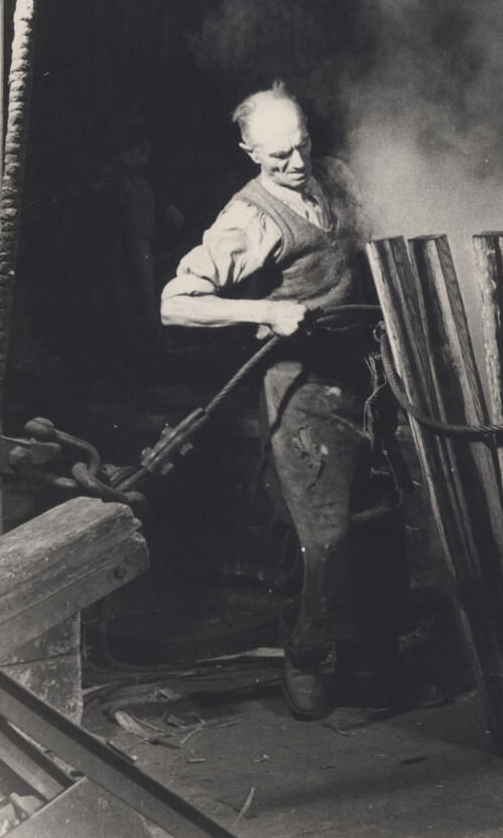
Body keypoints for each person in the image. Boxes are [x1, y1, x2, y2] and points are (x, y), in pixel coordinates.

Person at [160, 82, 421, 720]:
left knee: (381, 521)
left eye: (301, 144)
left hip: (368, 381)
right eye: (279, 155)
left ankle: (374, 653)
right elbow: (175, 303)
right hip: (302, 392)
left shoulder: (335, 178)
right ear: (250, 152)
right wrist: (265, 311)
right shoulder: (247, 219)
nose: (297, 162)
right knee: (321, 537)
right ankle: (306, 658)